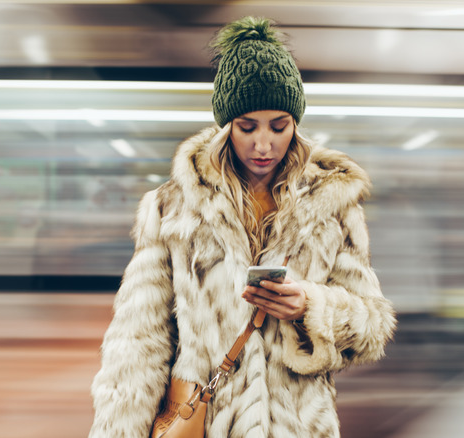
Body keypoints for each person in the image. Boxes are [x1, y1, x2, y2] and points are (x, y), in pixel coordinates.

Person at [89, 16, 396, 438]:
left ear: (296, 125)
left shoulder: (332, 206)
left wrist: (311, 307)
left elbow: (372, 328)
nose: (264, 145)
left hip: (298, 426)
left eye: (280, 126)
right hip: (207, 423)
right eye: (247, 127)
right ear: (225, 127)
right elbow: (137, 341)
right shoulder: (175, 207)